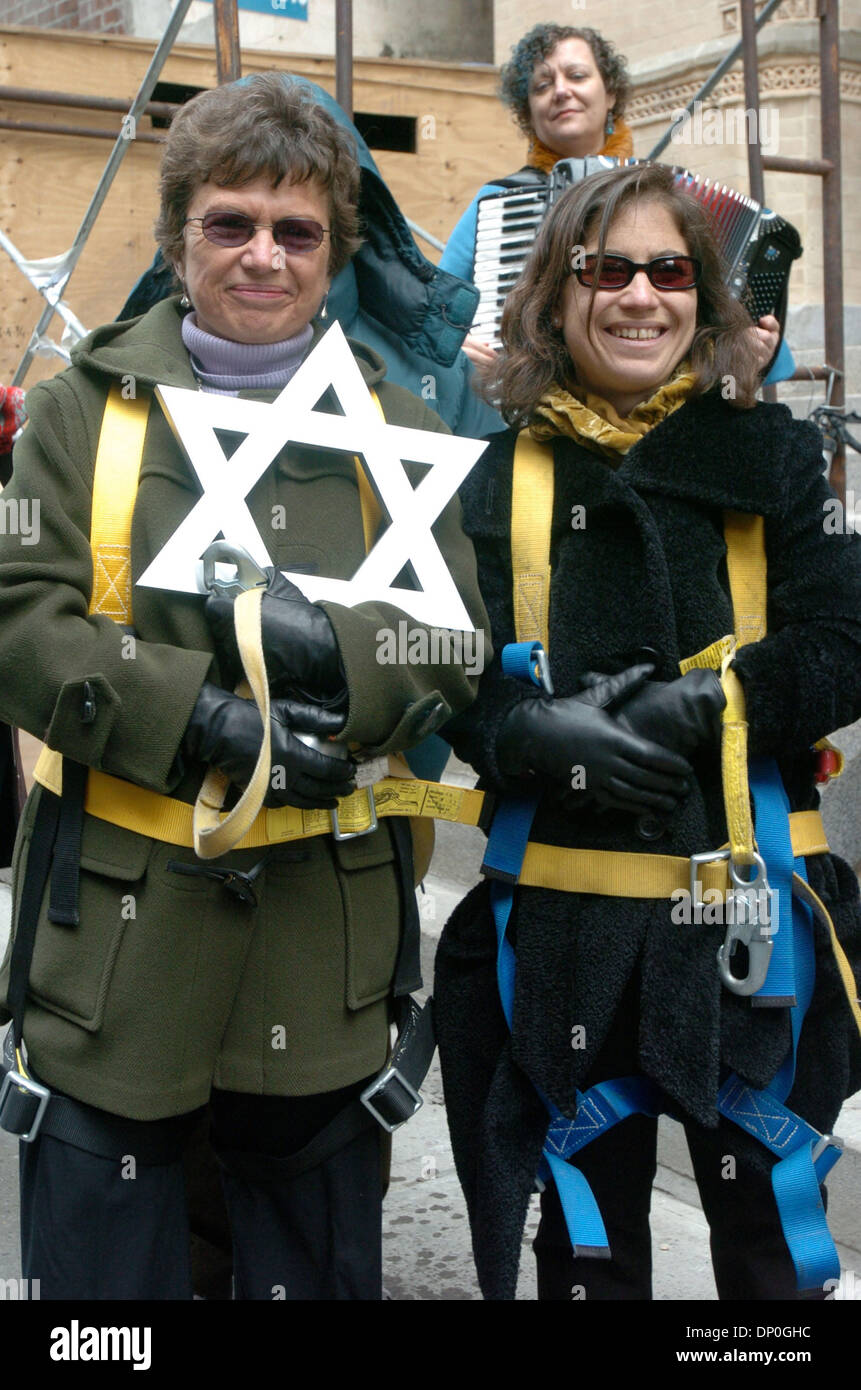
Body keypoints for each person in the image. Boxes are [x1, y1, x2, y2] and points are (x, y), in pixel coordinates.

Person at [0, 72, 488, 1301]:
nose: (263, 256)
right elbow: (19, 616)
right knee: (105, 1316)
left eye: (297, 230)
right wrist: (193, 716)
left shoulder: (401, 433)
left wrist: (350, 659)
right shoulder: (74, 414)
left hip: (319, 954)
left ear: (335, 253)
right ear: (177, 240)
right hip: (117, 952)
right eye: (231, 223)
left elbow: (459, 638)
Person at [434, 161, 861, 1301]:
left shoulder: (774, 460)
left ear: (704, 297)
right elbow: (439, 669)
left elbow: (844, 635)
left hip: (747, 942)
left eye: (668, 271)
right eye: (605, 269)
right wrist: (527, 734)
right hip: (565, 937)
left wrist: (720, 704)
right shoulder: (497, 478)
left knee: (769, 1255)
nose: (638, 296)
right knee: (589, 1254)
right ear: (557, 295)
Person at [441, 22, 783, 378]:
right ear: (528, 112)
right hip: (532, 405)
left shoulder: (673, 195)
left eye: (576, 76)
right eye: (542, 85)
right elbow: (438, 311)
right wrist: (453, 339)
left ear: (611, 94)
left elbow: (733, 322)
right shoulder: (499, 201)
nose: (561, 91)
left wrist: (753, 346)